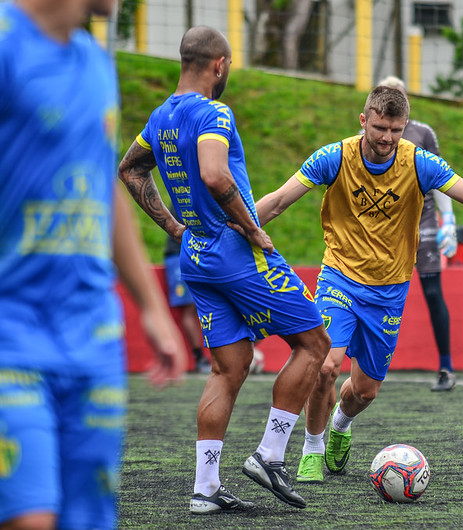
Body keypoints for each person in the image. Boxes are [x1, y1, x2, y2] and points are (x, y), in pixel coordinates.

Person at [241, 85, 463, 484]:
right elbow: (278, 201)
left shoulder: (419, 163)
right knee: (325, 365)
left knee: (363, 392)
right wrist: (235, 225)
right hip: (339, 278)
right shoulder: (334, 157)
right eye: (380, 127)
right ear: (364, 120)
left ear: (405, 127)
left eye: (396, 130)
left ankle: (340, 427)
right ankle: (311, 448)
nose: (387, 138)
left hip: (390, 291)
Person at [117, 26, 330, 514]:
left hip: (196, 255)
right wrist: (251, 228)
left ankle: (205, 489)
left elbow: (130, 169)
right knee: (314, 343)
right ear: (220, 65)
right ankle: (270, 455)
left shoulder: (160, 115)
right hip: (236, 251)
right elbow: (214, 173)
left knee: (228, 367)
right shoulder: (214, 112)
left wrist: (174, 226)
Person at [0, 1, 188, 529]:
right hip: (10, 331)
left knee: (85, 519)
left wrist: (151, 308)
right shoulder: (6, 45)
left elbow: (99, 183)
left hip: (91, 336)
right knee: (30, 517)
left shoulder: (94, 62)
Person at [376, 76, 458, 391]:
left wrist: (448, 219)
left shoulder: (422, 133)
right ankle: (365, 366)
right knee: (375, 296)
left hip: (422, 226)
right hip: (383, 232)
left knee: (433, 292)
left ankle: (446, 366)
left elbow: (442, 177)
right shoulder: (365, 136)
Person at [164, 205, 212, 373]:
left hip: (196, 252)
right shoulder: (188, 192)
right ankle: (199, 357)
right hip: (179, 254)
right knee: (190, 308)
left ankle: (205, 357)